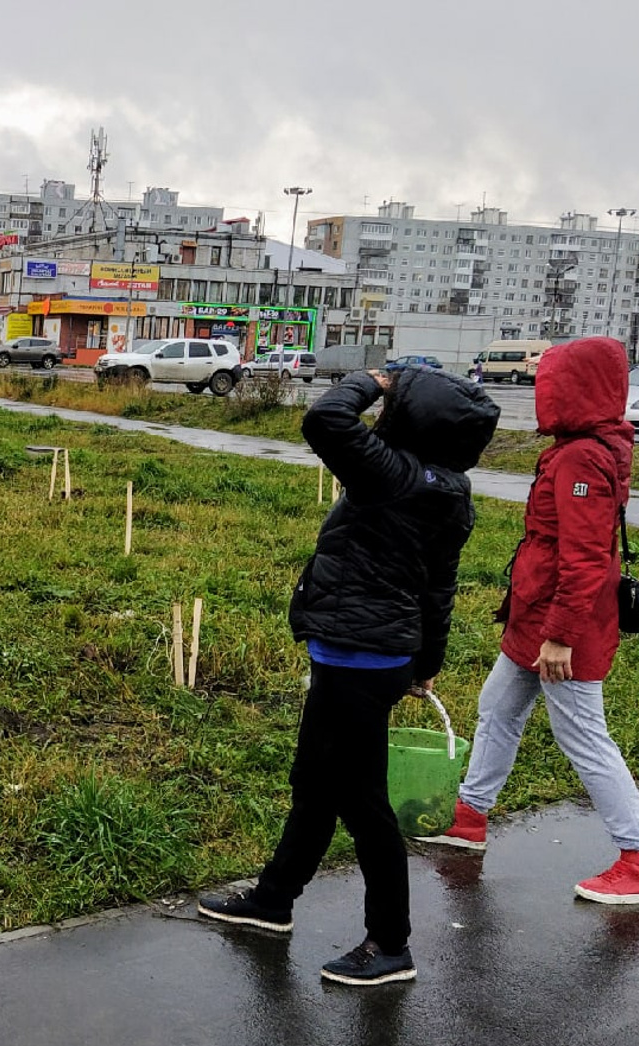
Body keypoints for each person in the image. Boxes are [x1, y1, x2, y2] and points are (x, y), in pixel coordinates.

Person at [198, 366, 500, 985]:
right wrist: (426, 664)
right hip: (369, 657)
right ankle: (273, 900)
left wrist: (367, 382)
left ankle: (390, 944)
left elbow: (324, 421)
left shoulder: (393, 475)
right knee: (314, 781)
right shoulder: (448, 487)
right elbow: (438, 588)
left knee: (362, 804)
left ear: (413, 419)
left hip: (358, 661)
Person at [420, 337, 639, 903]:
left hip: (563, 626)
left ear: (577, 389)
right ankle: (470, 816)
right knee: (497, 707)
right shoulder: (582, 447)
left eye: (553, 382)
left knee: (583, 736)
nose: (544, 391)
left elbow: (585, 557)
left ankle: (636, 855)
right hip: (535, 619)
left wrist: (562, 637)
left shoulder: (582, 456)